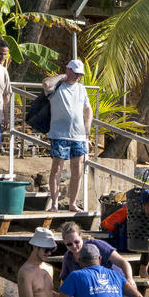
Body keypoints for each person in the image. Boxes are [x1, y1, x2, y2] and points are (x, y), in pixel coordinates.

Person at [42, 59, 93, 211]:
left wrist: (88, 124)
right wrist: (61, 76)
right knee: (57, 168)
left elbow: (88, 108)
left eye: (80, 74)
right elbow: (45, 84)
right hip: (59, 134)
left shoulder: (81, 89)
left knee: (77, 169)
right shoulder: (57, 86)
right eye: (75, 72)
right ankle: (55, 203)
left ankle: (73, 203)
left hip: (78, 136)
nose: (78, 76)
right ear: (68, 70)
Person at [60, 222, 134, 283]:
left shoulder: (97, 245)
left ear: (81, 237)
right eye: (69, 244)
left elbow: (123, 262)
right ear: (65, 243)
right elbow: (64, 280)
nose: (74, 246)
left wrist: (129, 279)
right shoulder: (68, 257)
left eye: (76, 242)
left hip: (117, 282)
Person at [17, 227, 59, 297]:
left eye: (51, 250)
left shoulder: (49, 268)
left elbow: (48, 293)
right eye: (46, 250)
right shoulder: (25, 272)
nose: (49, 253)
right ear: (35, 246)